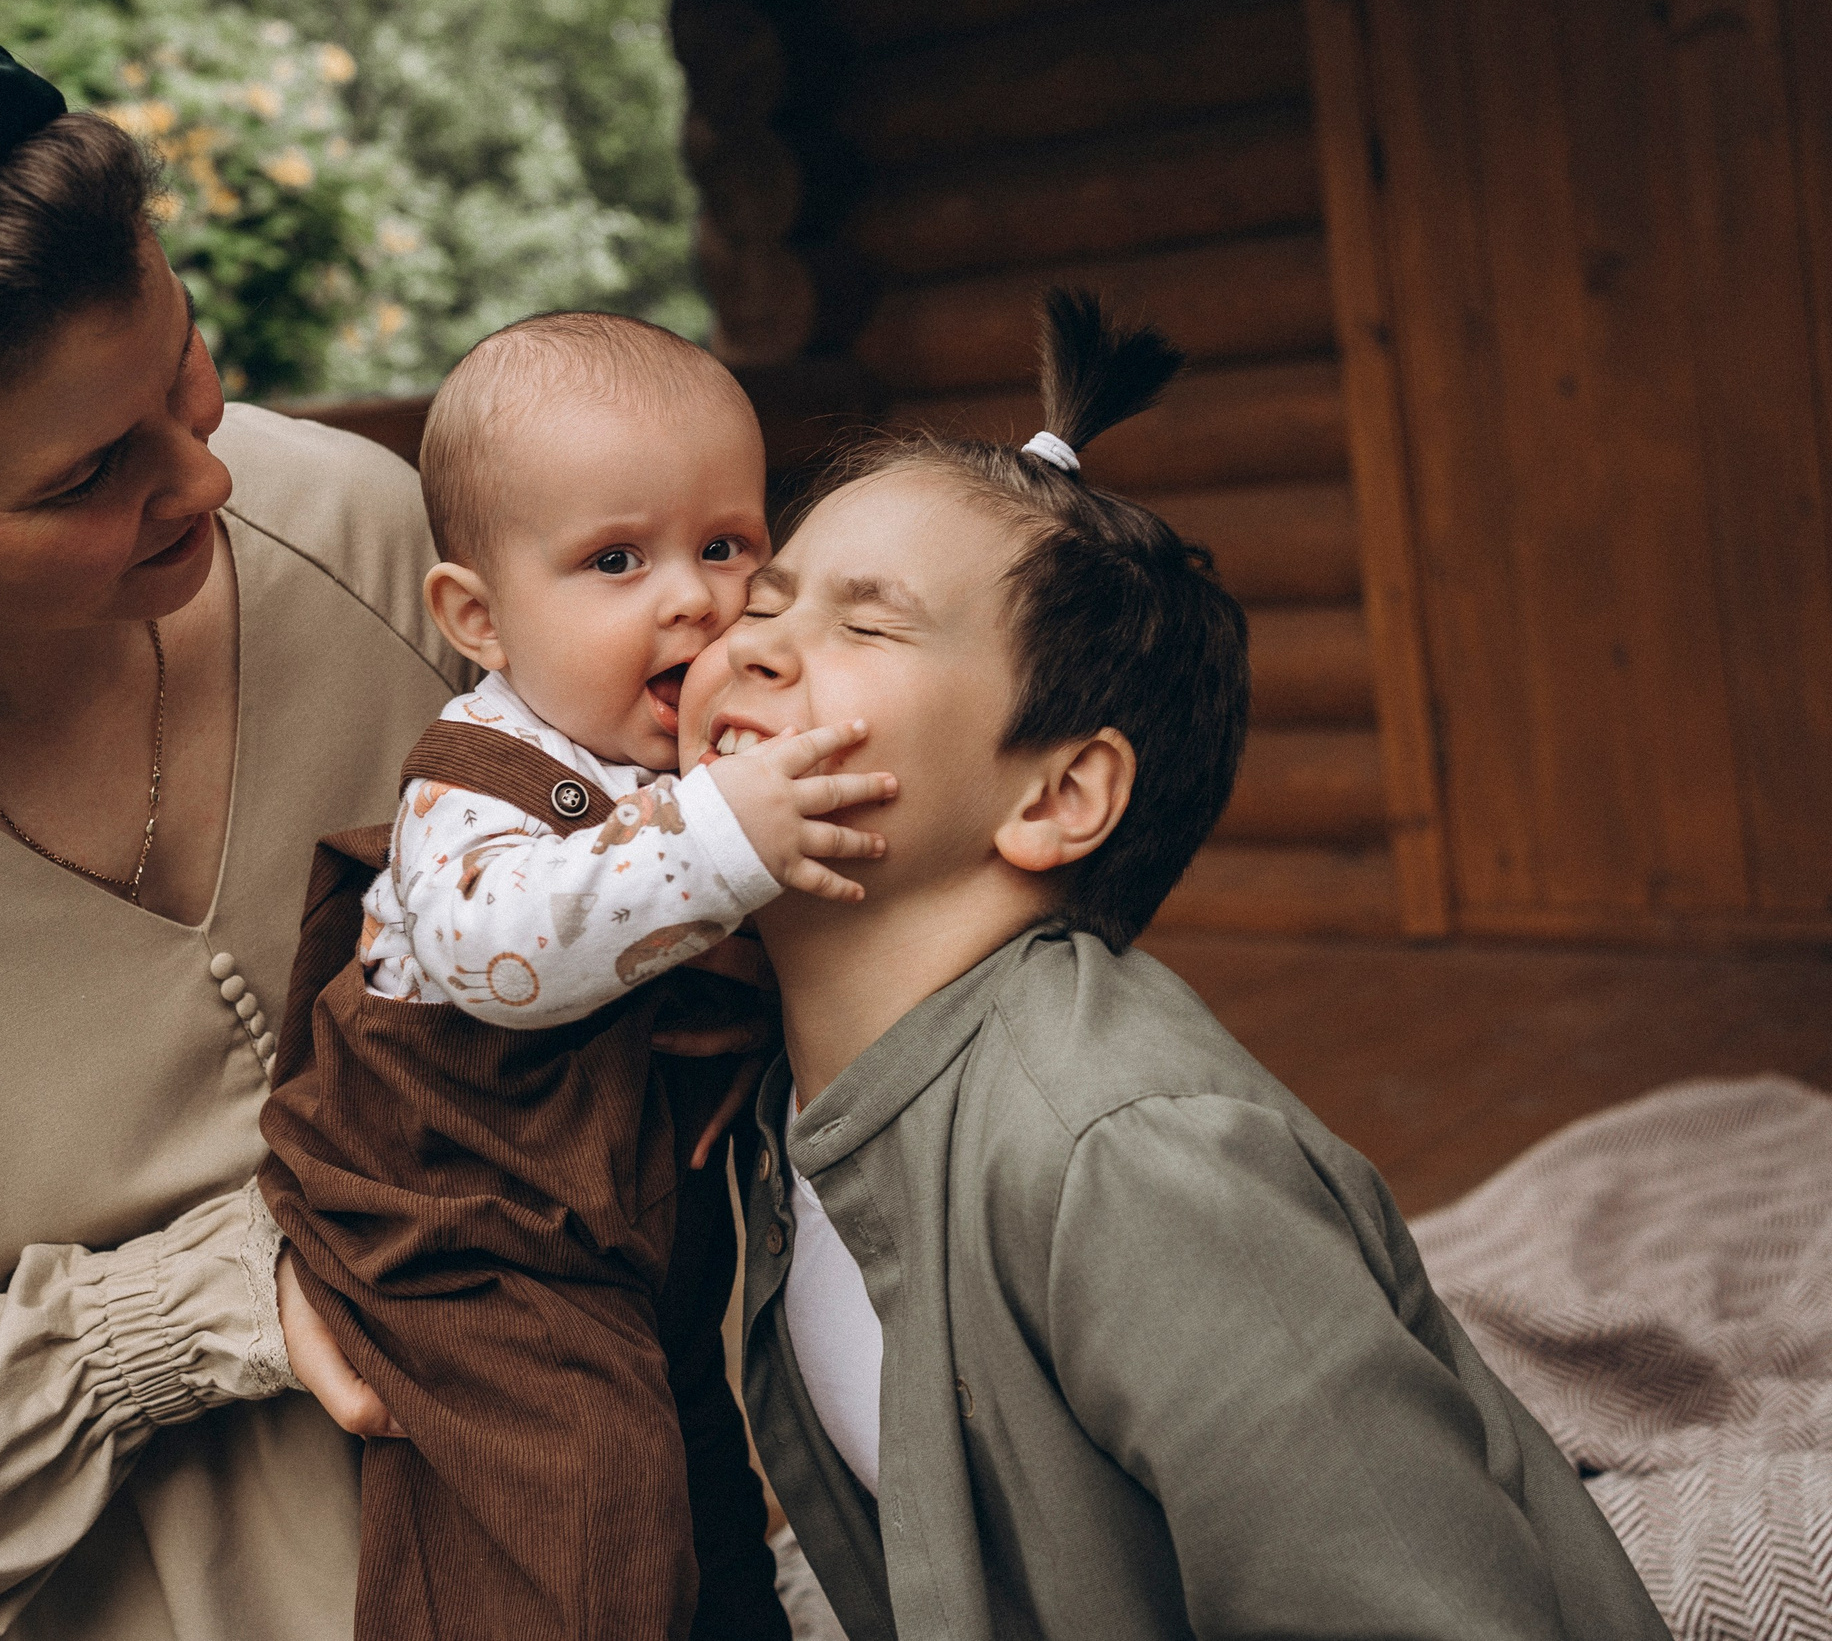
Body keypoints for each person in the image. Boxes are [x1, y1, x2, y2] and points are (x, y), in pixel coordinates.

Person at [0, 0, 766, 1641]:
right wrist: (206, 1301)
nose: (209, 482)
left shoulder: (366, 538)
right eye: (90, 475)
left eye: (186, 371)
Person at [686, 291, 1671, 1641]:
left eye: (866, 624)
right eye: (767, 598)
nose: (748, 641)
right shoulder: (767, 1105)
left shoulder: (1130, 1159)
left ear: (1057, 796)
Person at [259, 313, 891, 1641]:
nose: (696, 596)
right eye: (617, 559)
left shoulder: (696, 766)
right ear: (478, 617)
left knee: (700, 1480)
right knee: (580, 1519)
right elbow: (510, 957)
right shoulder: (473, 777)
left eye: (729, 545)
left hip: (622, 1227)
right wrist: (726, 839)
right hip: (462, 1238)